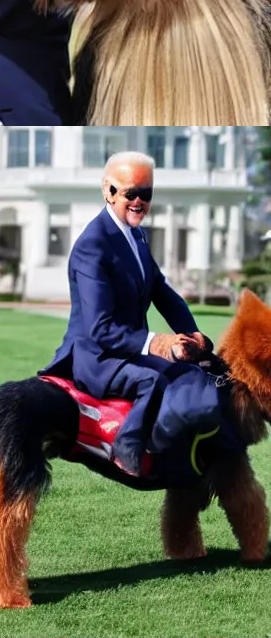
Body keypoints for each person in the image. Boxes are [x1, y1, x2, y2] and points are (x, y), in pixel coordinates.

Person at [45, 151, 217, 477]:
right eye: (131, 193)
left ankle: (176, 444)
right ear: (108, 191)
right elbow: (99, 329)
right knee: (155, 378)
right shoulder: (92, 245)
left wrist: (191, 334)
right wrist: (157, 343)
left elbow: (162, 292)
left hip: (129, 350)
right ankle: (127, 445)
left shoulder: (136, 235)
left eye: (146, 194)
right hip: (99, 359)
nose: (139, 202)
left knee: (194, 371)